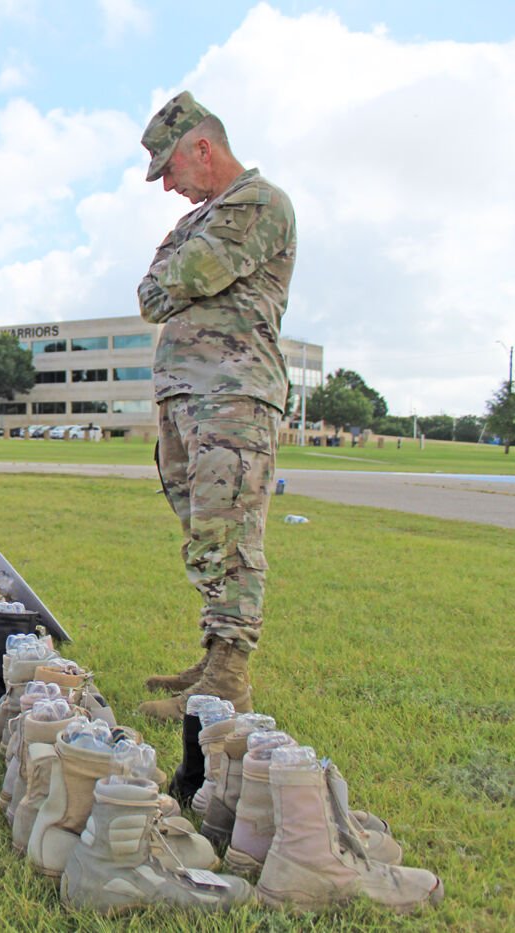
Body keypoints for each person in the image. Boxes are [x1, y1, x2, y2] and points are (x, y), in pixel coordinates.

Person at [134, 92, 297, 720]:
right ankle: (214, 654)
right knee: (203, 531)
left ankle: (230, 676)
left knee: (228, 531)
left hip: (233, 395)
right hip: (186, 398)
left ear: (203, 147)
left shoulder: (260, 203)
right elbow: (150, 293)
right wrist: (175, 274)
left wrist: (178, 274)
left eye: (170, 170)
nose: (168, 186)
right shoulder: (197, 220)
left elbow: (190, 275)